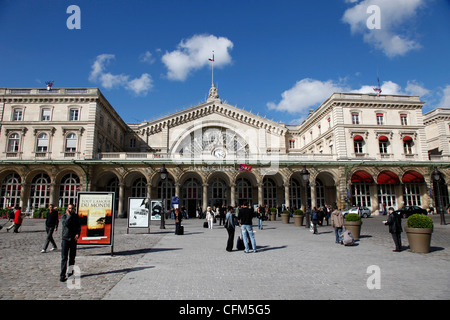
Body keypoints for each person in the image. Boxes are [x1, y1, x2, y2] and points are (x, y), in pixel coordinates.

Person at [60, 203, 81, 282]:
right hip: (65, 239)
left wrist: (77, 234)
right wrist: (69, 215)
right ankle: (62, 275)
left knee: (72, 257)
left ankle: (70, 273)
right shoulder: (64, 216)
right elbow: (65, 224)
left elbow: (78, 226)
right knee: (64, 258)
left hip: (73, 239)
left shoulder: (76, 217)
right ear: (67, 209)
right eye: (69, 208)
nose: (70, 210)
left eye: (72, 208)